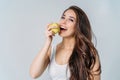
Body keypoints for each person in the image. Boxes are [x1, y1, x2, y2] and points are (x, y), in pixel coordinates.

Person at [30, 5, 101, 80]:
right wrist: (48, 42)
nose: (63, 22)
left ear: (78, 27)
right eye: (63, 17)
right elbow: (34, 74)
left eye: (71, 20)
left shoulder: (88, 52)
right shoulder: (52, 50)